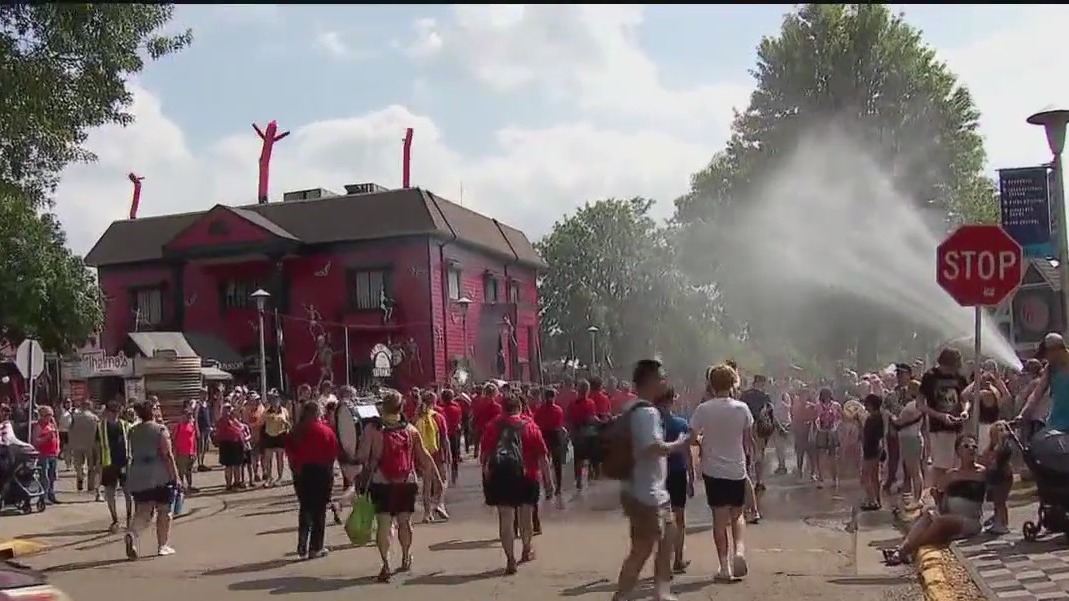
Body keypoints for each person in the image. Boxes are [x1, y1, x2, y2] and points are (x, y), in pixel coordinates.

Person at [613, 359, 684, 601]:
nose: (664, 381)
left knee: (668, 538)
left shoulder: (633, 408)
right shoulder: (647, 412)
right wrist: (679, 445)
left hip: (648, 489)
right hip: (646, 493)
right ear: (650, 381)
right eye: (661, 377)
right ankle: (622, 595)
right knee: (642, 548)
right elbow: (651, 447)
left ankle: (661, 591)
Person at [356, 390, 443, 582]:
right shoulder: (410, 430)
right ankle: (406, 556)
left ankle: (385, 563)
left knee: (384, 525)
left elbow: (361, 456)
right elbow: (424, 458)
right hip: (406, 481)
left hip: (381, 482)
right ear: (401, 407)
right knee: (405, 522)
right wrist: (437, 480)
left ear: (382, 407)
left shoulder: (372, 430)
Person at [689, 363, 753, 582]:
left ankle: (724, 566)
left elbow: (691, 437)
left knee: (719, 519)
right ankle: (740, 552)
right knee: (737, 515)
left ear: (711, 385)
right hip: (736, 467)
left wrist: (701, 441)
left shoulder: (704, 409)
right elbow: (748, 440)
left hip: (713, 470)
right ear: (733, 382)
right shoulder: (742, 408)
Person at [882, 434, 986, 565]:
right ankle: (903, 549)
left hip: (970, 521)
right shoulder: (951, 475)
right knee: (929, 514)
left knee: (941, 521)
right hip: (950, 516)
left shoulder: (982, 473)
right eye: (966, 446)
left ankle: (903, 551)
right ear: (958, 451)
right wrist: (936, 499)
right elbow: (941, 502)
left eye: (974, 446)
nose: (971, 449)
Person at [480, 393, 554, 574]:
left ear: (502, 407)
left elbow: (484, 457)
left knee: (506, 519)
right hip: (527, 477)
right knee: (525, 517)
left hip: (501, 477)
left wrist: (487, 479)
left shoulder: (492, 426)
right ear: (519, 408)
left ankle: (510, 559)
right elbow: (542, 456)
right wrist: (548, 481)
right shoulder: (530, 426)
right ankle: (526, 549)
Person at [124, 401, 181, 559]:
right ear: (153, 412)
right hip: (159, 475)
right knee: (164, 511)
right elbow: (167, 454)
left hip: (138, 474)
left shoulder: (133, 431)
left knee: (143, 512)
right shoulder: (160, 430)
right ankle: (162, 545)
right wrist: (176, 476)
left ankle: (133, 535)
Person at [284, 401, 338, 559]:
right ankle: (316, 547)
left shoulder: (295, 431)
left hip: (301, 472)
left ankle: (302, 546)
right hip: (321, 471)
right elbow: (332, 454)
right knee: (319, 511)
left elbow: (290, 453)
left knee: (305, 509)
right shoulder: (325, 431)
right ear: (316, 413)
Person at [919, 348, 969, 495]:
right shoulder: (930, 377)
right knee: (941, 466)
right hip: (939, 429)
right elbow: (920, 404)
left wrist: (965, 411)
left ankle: (955, 495)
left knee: (959, 464)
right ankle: (941, 496)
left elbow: (965, 399)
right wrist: (940, 416)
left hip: (958, 428)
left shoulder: (959, 377)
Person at [655, 387, 694, 574]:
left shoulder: (652, 426)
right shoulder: (681, 423)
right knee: (679, 518)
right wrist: (691, 478)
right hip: (678, 473)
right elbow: (687, 453)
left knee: (663, 520)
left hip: (658, 476)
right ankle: (677, 559)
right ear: (671, 401)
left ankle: (664, 563)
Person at [97, 402, 132, 531]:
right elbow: (97, 445)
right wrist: (97, 463)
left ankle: (129, 519)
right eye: (112, 411)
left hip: (124, 462)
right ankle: (115, 520)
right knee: (110, 493)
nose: (114, 413)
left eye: (116, 411)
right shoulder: (101, 427)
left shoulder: (126, 425)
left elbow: (131, 443)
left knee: (128, 492)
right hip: (108, 463)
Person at [533, 387, 566, 504]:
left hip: (545, 436)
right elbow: (560, 423)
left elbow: (535, 423)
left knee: (545, 463)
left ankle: (549, 487)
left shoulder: (540, 409)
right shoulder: (558, 409)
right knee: (556, 463)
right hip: (554, 435)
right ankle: (557, 487)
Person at [981, 421, 1013, 535]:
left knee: (1001, 502)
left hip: (1003, 476)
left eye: (1000, 430)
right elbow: (985, 457)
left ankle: (1003, 523)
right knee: (996, 502)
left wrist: (1001, 440)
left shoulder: (1005, 446)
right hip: (993, 476)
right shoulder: (991, 445)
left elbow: (997, 457)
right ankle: (997, 520)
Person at [859, 394, 885, 510]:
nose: (865, 406)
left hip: (870, 450)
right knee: (875, 476)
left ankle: (872, 500)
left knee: (865, 477)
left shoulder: (871, 419)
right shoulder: (881, 417)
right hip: (878, 449)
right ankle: (877, 499)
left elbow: (866, 435)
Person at [261, 390, 290, 487]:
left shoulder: (284, 410)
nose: (274, 401)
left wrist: (285, 423)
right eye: (272, 399)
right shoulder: (267, 411)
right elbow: (263, 421)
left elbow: (288, 424)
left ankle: (280, 477)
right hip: (269, 435)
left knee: (280, 458)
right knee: (268, 458)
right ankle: (269, 477)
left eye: (276, 398)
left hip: (280, 435)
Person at [31, 406, 60, 504]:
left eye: (51, 415)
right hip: (43, 454)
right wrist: (46, 438)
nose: (49, 417)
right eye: (47, 415)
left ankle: (51, 495)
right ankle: (44, 496)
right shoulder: (38, 426)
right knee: (45, 477)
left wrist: (58, 448)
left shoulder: (52, 425)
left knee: (52, 477)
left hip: (53, 454)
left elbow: (57, 437)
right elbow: (35, 441)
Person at [214, 403, 245, 490]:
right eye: (226, 409)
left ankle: (237, 482)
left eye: (229, 409)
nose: (228, 411)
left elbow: (241, 427)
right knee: (228, 465)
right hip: (226, 444)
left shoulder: (234, 419)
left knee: (237, 465)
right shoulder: (222, 420)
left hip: (237, 443)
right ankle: (228, 484)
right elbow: (216, 414)